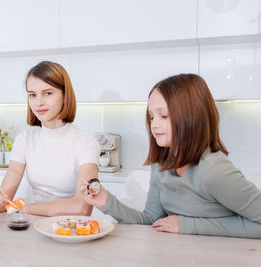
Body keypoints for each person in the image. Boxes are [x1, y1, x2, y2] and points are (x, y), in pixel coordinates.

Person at [81, 73, 261, 238]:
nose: (154, 125)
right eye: (151, 117)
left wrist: (189, 225)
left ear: (191, 117)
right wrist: (106, 201)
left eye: (164, 116)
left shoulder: (214, 170)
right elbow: (152, 220)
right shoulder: (162, 165)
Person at [0, 61, 100, 216]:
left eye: (48, 93)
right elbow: (4, 202)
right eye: (32, 95)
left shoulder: (86, 142)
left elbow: (82, 207)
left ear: (65, 95)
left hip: (68, 230)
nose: (38, 102)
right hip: (31, 227)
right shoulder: (24, 139)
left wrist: (26, 208)